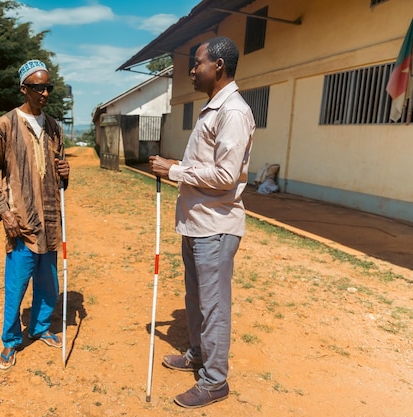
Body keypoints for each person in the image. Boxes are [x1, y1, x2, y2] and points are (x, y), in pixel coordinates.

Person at [149, 37, 255, 408]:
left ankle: (215, 381)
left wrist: (175, 170)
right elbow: (208, 164)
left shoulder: (234, 113)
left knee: (213, 306)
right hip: (197, 224)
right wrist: (178, 167)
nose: (192, 70)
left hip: (216, 227)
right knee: (196, 299)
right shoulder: (213, 108)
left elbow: (226, 175)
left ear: (219, 66)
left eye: (198, 63)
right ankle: (197, 354)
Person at [0, 59, 70, 371]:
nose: (44, 93)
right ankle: (10, 340)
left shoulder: (54, 128)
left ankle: (40, 327)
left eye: (48, 87)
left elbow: (59, 176)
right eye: (38, 87)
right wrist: (3, 212)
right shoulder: (4, 126)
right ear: (24, 88)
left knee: (48, 284)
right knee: (17, 284)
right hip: (20, 220)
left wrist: (65, 172)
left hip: (49, 218)